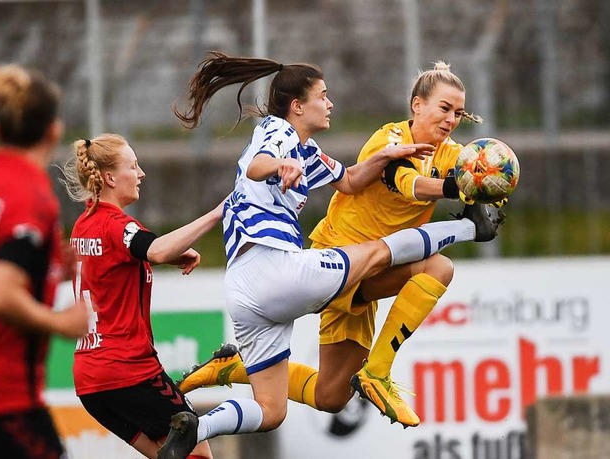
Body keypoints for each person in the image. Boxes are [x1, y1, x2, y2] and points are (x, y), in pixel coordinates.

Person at [157, 52, 503, 457]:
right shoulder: (284, 132)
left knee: (300, 404)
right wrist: (280, 165)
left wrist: (379, 162)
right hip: (293, 263)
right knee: (403, 259)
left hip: (249, 290)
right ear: (298, 106)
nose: (331, 102)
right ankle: (465, 232)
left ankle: (202, 418)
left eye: (459, 112)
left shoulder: (310, 150)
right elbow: (257, 165)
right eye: (323, 95)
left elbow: (352, 180)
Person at [59, 133, 222, 459]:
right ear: (109, 177)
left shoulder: (83, 224)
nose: (141, 173)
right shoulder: (117, 225)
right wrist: (217, 213)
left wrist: (161, 254)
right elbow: (155, 248)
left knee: (169, 455)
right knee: (198, 449)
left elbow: (119, 262)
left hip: (90, 380)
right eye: (133, 166)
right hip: (129, 371)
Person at [0, 64, 89, 458]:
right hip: (1, 401)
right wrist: (61, 322)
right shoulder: (31, 196)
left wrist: (50, 266)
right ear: (54, 130)